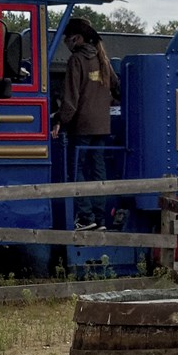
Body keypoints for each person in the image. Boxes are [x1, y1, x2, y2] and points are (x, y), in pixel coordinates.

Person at [53, 15, 119, 233]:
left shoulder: (76, 61)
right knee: (99, 171)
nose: (65, 42)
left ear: (78, 38)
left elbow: (70, 100)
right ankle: (99, 219)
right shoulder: (103, 60)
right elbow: (117, 87)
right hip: (102, 127)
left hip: (81, 127)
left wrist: (59, 120)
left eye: (67, 38)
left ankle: (85, 216)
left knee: (76, 169)